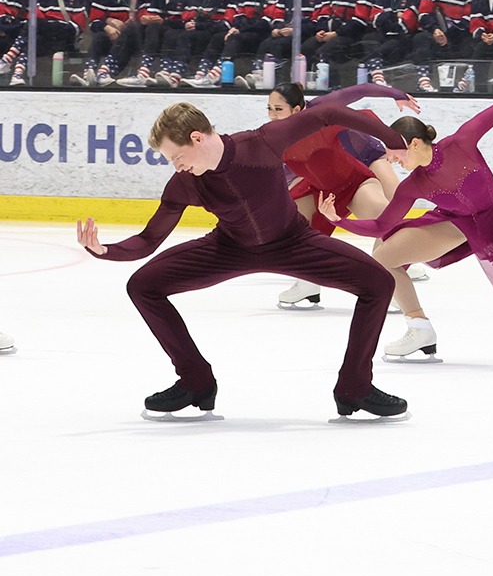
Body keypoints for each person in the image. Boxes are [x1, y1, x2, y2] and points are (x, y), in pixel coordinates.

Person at [75, 101, 410, 421]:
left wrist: (394, 139)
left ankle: (355, 387)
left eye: (176, 156)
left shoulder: (262, 142)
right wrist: (108, 250)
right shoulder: (185, 183)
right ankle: (196, 381)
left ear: (196, 137)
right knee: (143, 286)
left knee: (379, 283)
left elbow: (330, 113)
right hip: (229, 248)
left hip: (294, 242)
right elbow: (149, 239)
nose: (176, 166)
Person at [318, 104, 493, 366]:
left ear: (415, 144)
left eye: (396, 154)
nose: (392, 160)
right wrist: (339, 221)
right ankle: (419, 329)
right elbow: (382, 226)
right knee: (383, 257)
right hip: (456, 222)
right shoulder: (413, 184)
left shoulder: (461, 142)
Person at [267, 81, 414, 307]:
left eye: (278, 109)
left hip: (353, 182)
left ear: (297, 110)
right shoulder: (272, 138)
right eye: (269, 109)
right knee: (288, 227)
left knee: (389, 220)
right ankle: (308, 281)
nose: (272, 116)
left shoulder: (322, 113)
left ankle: (387, 277)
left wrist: (395, 94)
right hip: (317, 188)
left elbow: (360, 96)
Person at [0, 0, 86, 86]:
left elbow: (77, 26)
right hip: (46, 36)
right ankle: (18, 73)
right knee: (31, 40)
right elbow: (39, 14)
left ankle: (7, 59)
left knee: (34, 24)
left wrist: (52, 25)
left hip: (65, 38)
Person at [79, 0, 140, 87]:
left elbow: (143, 19)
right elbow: (94, 21)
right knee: (100, 36)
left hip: (132, 40)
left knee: (130, 32)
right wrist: (107, 26)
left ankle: (106, 71)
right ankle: (88, 71)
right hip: (111, 38)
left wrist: (120, 24)